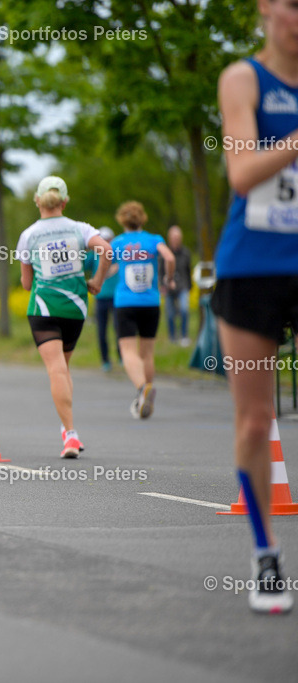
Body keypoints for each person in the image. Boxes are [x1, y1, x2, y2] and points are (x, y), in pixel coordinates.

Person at [213, 1, 298, 614]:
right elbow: (241, 172)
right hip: (254, 265)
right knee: (255, 419)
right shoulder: (245, 78)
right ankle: (265, 553)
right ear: (267, 8)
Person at [16, 176, 111, 458]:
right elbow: (107, 250)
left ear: (37, 201)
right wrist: (97, 281)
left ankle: (70, 434)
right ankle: (67, 429)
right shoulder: (80, 228)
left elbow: (26, 284)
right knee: (63, 369)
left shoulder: (29, 235)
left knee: (57, 370)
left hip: (44, 308)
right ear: (64, 202)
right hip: (75, 308)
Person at [110, 201, 175, 419]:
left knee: (128, 350)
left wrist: (98, 280)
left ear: (122, 220)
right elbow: (170, 257)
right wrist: (169, 279)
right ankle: (144, 398)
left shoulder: (119, 243)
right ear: (142, 218)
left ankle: (142, 389)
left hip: (126, 302)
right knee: (147, 352)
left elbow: (107, 263)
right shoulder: (154, 240)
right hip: (150, 302)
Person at [87, 226, 121, 372]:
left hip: (116, 296)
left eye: (108, 239)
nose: (106, 242)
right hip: (100, 297)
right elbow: (82, 264)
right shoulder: (94, 254)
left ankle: (122, 356)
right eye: (103, 239)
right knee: (102, 331)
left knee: (119, 328)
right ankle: (105, 360)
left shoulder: (117, 252)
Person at [160, 225, 193, 346]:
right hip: (168, 286)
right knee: (170, 313)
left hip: (182, 285)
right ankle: (172, 336)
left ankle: (184, 335)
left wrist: (190, 286)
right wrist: (163, 284)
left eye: (177, 237)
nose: (175, 240)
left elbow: (188, 270)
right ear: (169, 238)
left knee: (184, 309)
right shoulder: (165, 253)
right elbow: (160, 270)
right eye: (173, 237)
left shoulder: (186, 253)